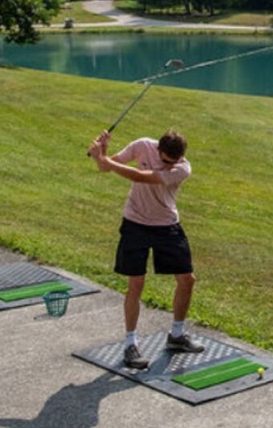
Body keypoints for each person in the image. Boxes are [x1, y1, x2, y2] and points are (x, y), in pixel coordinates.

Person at [88, 129, 204, 369]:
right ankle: (130, 343)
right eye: (164, 160)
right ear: (158, 149)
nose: (168, 165)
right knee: (136, 283)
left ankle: (177, 335)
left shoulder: (182, 169)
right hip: (135, 224)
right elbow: (106, 168)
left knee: (187, 279)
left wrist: (102, 158)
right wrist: (102, 154)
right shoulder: (142, 145)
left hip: (166, 225)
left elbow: (141, 177)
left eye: (173, 162)